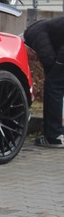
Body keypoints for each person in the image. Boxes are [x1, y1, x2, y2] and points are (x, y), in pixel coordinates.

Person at [24, 16, 64, 147]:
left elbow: (48, 58)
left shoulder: (33, 33)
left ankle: (54, 136)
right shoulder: (48, 27)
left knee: (53, 85)